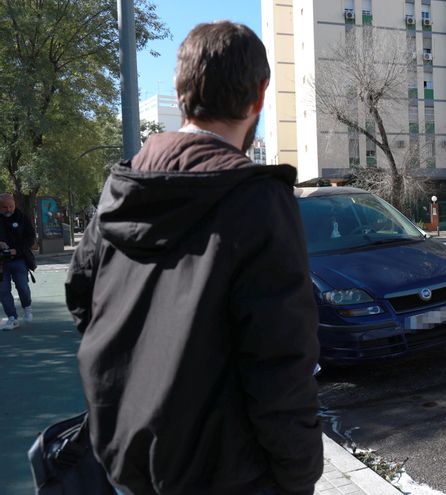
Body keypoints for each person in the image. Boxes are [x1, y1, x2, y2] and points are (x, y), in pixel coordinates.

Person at [65, 21, 323, 493]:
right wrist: (300, 475)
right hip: (225, 476)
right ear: (259, 97)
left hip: (125, 460)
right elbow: (281, 365)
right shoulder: (259, 202)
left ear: (181, 91)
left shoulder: (119, 188)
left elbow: (84, 303)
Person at [0, 193, 36, 330]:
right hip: (1, 262)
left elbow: (30, 238)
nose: (8, 209)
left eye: (11, 206)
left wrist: (17, 250)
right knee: (3, 290)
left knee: (23, 287)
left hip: (19, 259)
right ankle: (12, 318)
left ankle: (27, 307)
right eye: (4, 207)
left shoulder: (22, 218)